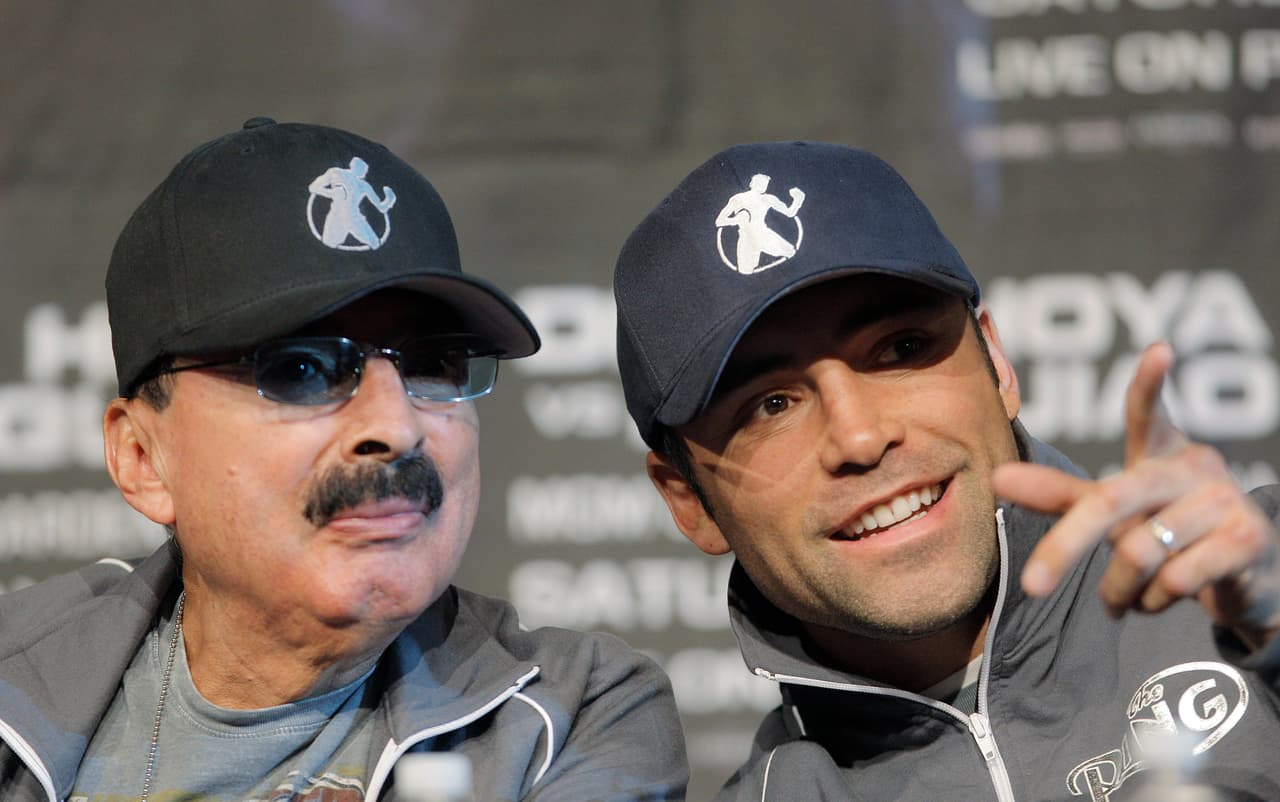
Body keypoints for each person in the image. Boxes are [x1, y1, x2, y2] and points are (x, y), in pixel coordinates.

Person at [0, 118, 687, 802]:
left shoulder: (572, 717)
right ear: (144, 459)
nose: (395, 426)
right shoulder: (14, 681)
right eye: (300, 369)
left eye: (431, 363)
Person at [612, 141, 1280, 801]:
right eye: (770, 404)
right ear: (689, 502)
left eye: (901, 348)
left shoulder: (1261, 578)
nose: (861, 436)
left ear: (997, 359)